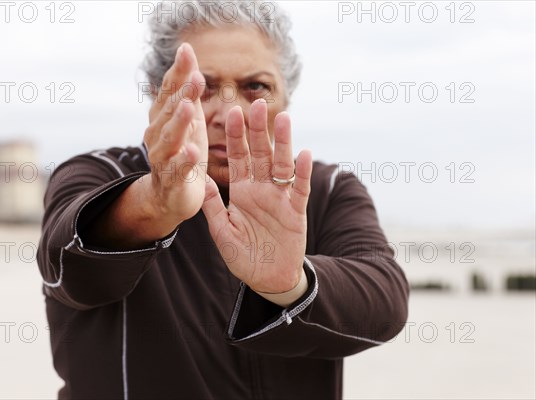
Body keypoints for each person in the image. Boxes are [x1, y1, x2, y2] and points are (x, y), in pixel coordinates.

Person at [37, 1, 410, 398]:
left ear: (286, 98)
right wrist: (154, 204)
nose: (227, 112)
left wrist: (290, 285)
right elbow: (64, 264)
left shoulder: (326, 189)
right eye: (201, 88)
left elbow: (384, 304)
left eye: (255, 87)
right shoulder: (98, 173)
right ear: (159, 95)